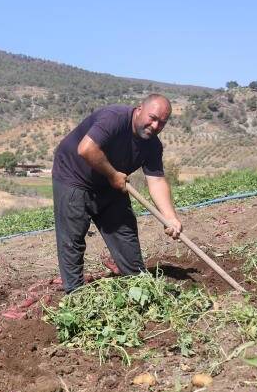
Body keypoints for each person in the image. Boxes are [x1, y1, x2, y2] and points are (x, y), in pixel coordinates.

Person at [51, 94, 182, 293]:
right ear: (139, 109)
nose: (155, 126)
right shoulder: (115, 117)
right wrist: (113, 175)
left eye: (162, 122)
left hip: (110, 184)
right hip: (74, 177)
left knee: (125, 233)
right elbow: (86, 149)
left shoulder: (153, 145)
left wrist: (170, 217)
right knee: (72, 240)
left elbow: (156, 180)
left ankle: (139, 285)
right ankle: (75, 296)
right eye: (152, 118)